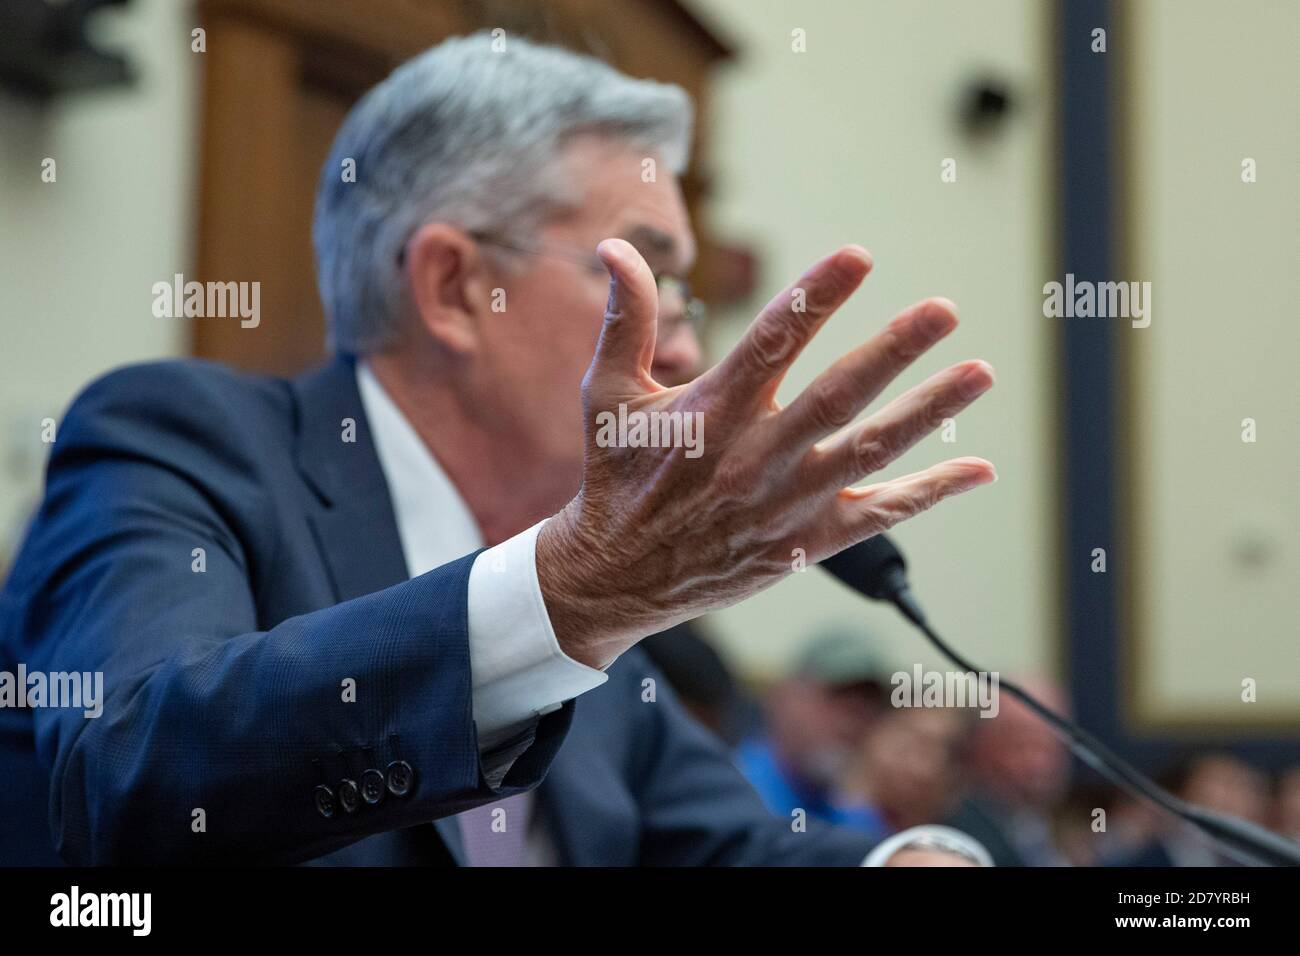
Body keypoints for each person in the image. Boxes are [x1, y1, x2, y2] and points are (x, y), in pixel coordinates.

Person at [0, 32, 996, 866]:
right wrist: (569, 596)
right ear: (454, 287)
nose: (687, 345)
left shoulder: (584, 595)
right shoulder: (181, 439)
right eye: (652, 279)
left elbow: (735, 847)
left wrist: (907, 857)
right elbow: (124, 774)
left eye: (684, 296)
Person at [737, 629, 892, 833]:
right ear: (784, 698)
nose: (850, 723)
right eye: (836, 700)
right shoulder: (729, 792)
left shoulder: (861, 820)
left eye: (866, 709)